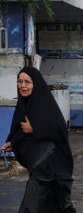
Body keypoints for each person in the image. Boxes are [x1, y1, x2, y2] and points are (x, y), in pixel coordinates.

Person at [1, 66, 76, 213]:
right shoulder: (24, 104)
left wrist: (35, 129)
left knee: (32, 206)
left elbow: (59, 129)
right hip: (38, 165)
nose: (23, 86)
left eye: (27, 82)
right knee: (53, 205)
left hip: (50, 165)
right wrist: (12, 142)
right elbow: (21, 128)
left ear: (36, 83)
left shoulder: (45, 104)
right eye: (20, 81)